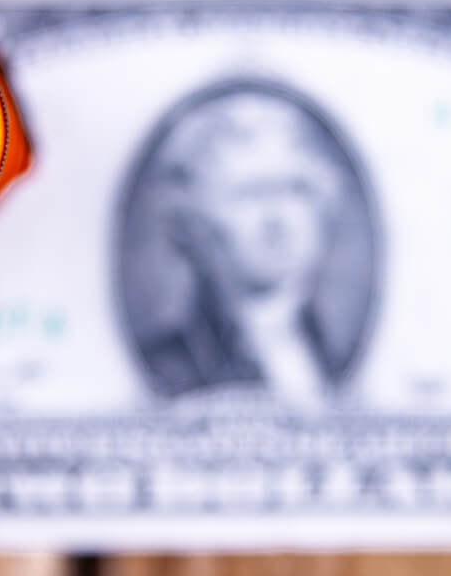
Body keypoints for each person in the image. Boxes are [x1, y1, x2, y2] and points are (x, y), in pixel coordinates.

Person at [138, 90, 353, 399]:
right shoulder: (168, 371)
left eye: (295, 190)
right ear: (197, 222)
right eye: (251, 194)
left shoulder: (331, 356)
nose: (277, 218)